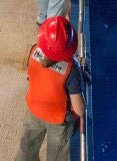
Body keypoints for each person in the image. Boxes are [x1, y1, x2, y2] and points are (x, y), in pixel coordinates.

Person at [15, 16, 84, 161]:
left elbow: (32, 76)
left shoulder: (34, 50)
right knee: (56, 154)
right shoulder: (72, 69)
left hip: (33, 110)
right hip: (58, 120)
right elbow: (79, 109)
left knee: (27, 148)